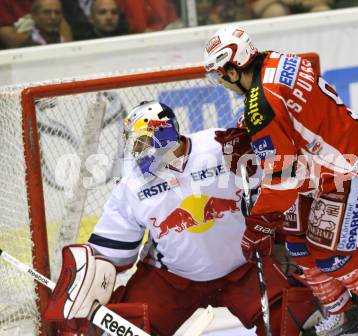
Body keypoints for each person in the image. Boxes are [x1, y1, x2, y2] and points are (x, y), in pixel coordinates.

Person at [43, 100, 318, 335]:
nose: (137, 151)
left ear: (165, 136)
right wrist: (80, 289)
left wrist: (286, 241)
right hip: (173, 279)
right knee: (119, 329)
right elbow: (108, 253)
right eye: (133, 143)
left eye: (142, 142)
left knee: (298, 319)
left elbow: (279, 187)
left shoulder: (221, 146)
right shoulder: (132, 184)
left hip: (244, 268)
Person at [203, 26, 358, 336]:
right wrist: (250, 132)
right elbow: (289, 114)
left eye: (220, 74)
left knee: (331, 256)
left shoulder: (261, 104)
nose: (223, 83)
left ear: (233, 68)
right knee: (298, 246)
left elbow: (282, 177)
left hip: (347, 169)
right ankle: (342, 313)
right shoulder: (275, 60)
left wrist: (260, 222)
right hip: (315, 168)